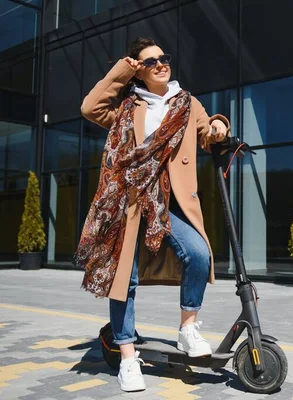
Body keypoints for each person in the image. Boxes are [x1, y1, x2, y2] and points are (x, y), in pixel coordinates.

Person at [75, 37, 230, 392]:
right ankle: (127, 356)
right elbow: (90, 107)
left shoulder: (187, 104)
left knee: (197, 253)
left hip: (171, 203)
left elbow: (208, 133)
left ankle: (188, 328)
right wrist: (125, 67)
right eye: (151, 61)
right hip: (129, 205)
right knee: (123, 281)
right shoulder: (127, 108)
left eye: (164, 58)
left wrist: (220, 126)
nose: (161, 64)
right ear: (140, 70)